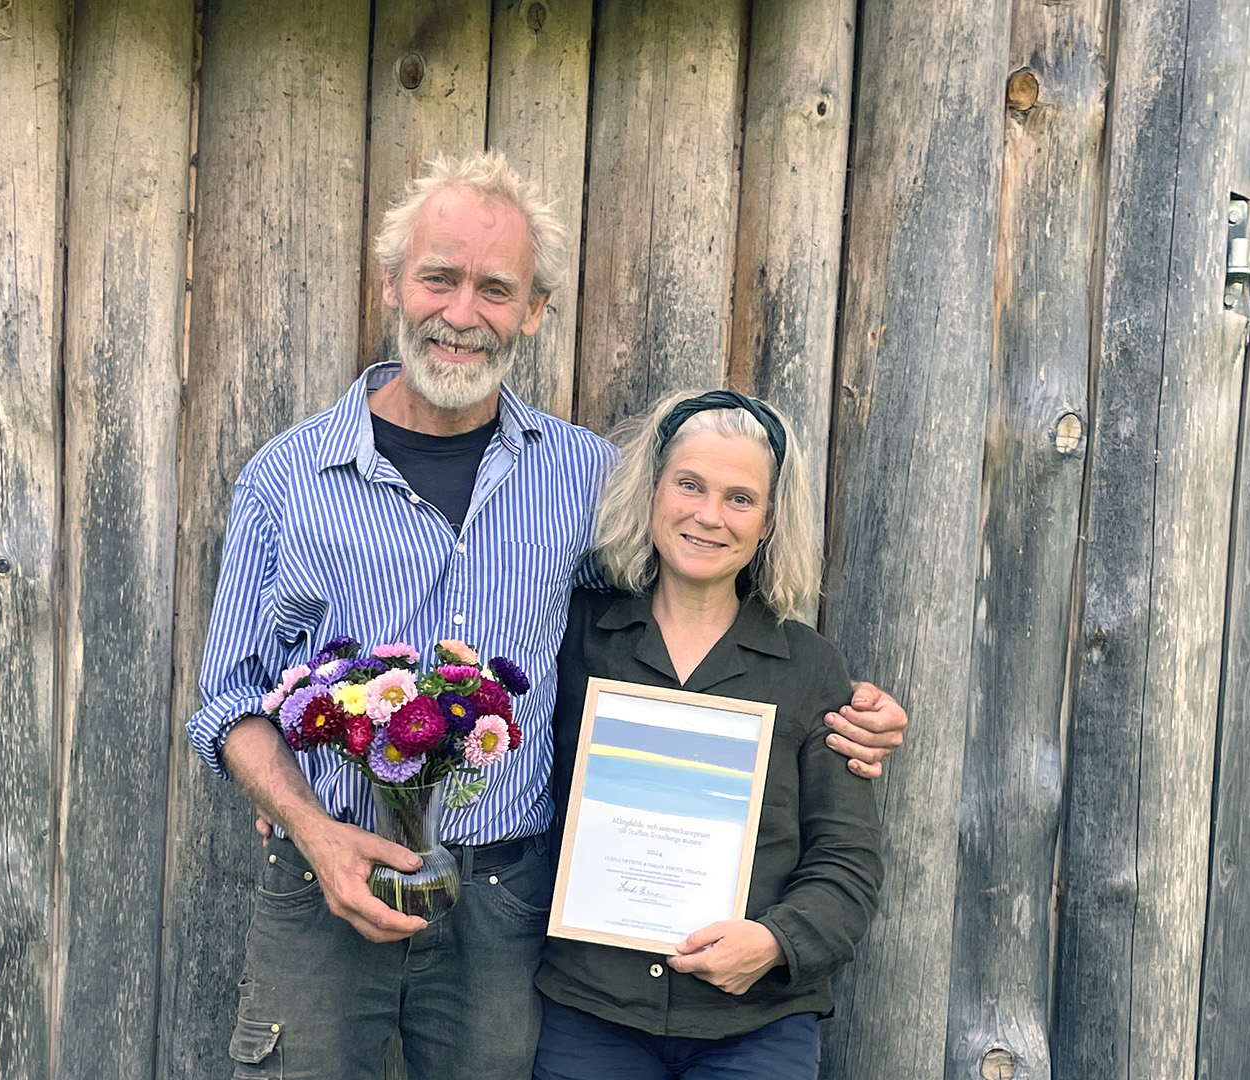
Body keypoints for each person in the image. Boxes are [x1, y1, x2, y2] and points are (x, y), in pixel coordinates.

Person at [186, 152, 905, 1080]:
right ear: (392, 284)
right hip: (325, 881)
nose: (461, 313)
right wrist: (307, 826)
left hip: (503, 902)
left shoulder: (586, 481)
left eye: (496, 289)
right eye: (438, 277)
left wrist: (852, 713)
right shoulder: (283, 478)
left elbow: (687, 609)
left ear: (533, 312)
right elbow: (228, 698)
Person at [533, 390, 882, 1080]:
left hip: (754, 1024)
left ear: (770, 521)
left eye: (740, 498)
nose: (708, 515)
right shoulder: (570, 637)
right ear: (653, 490)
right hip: (591, 1013)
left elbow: (848, 862)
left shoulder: (811, 670)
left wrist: (776, 941)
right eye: (689, 484)